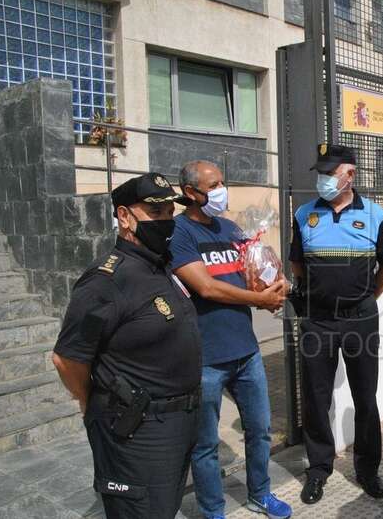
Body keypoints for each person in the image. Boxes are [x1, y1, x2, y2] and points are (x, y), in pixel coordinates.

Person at [52, 173, 202, 519]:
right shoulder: (106, 280)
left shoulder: (158, 265)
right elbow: (67, 359)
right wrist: (89, 401)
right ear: (124, 216)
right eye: (156, 213)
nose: (166, 222)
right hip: (139, 431)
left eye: (170, 213)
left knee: (162, 508)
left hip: (178, 422)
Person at [168, 161, 291, 519]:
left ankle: (260, 494)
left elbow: (252, 270)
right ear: (190, 192)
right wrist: (259, 299)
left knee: (260, 430)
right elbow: (206, 287)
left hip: (246, 352)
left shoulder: (230, 227)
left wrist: (274, 281)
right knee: (205, 444)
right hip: (205, 358)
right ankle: (213, 511)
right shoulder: (179, 233)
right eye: (214, 185)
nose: (222, 191)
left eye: (223, 182)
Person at [289, 144, 383, 505]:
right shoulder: (304, 214)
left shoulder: (375, 214)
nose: (322, 179)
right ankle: (319, 468)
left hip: (360, 320)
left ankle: (368, 470)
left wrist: (364, 299)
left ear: (350, 174)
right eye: (320, 173)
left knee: (365, 396)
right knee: (316, 397)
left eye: (329, 173)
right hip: (317, 320)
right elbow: (297, 263)